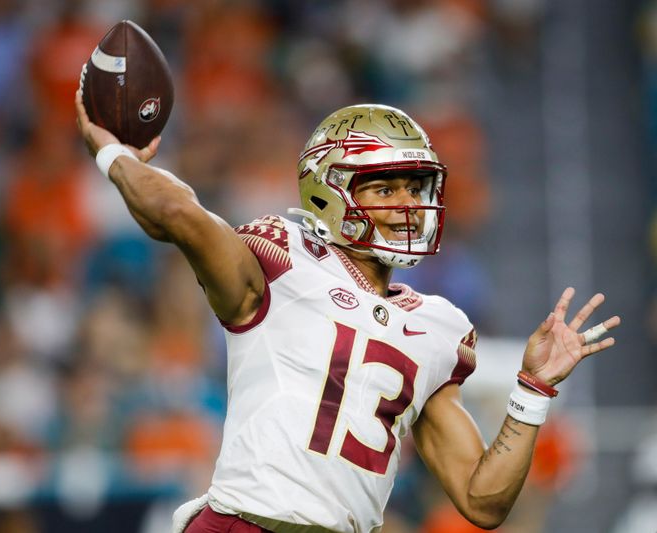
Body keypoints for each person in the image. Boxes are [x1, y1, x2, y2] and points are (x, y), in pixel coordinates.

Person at [75, 92, 620, 533]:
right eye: (385, 187)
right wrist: (113, 152)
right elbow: (175, 213)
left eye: (415, 186)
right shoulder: (279, 259)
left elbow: (483, 501)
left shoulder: (438, 326)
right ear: (327, 196)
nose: (408, 204)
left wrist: (531, 391)